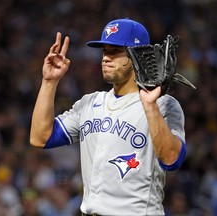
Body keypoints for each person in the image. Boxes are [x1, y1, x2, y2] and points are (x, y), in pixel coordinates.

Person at [30, 18, 187, 216]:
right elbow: (40, 137)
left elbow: (172, 160)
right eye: (104, 51)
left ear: (137, 55)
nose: (105, 58)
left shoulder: (163, 105)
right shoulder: (89, 103)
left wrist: (149, 106)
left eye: (114, 51)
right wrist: (49, 82)